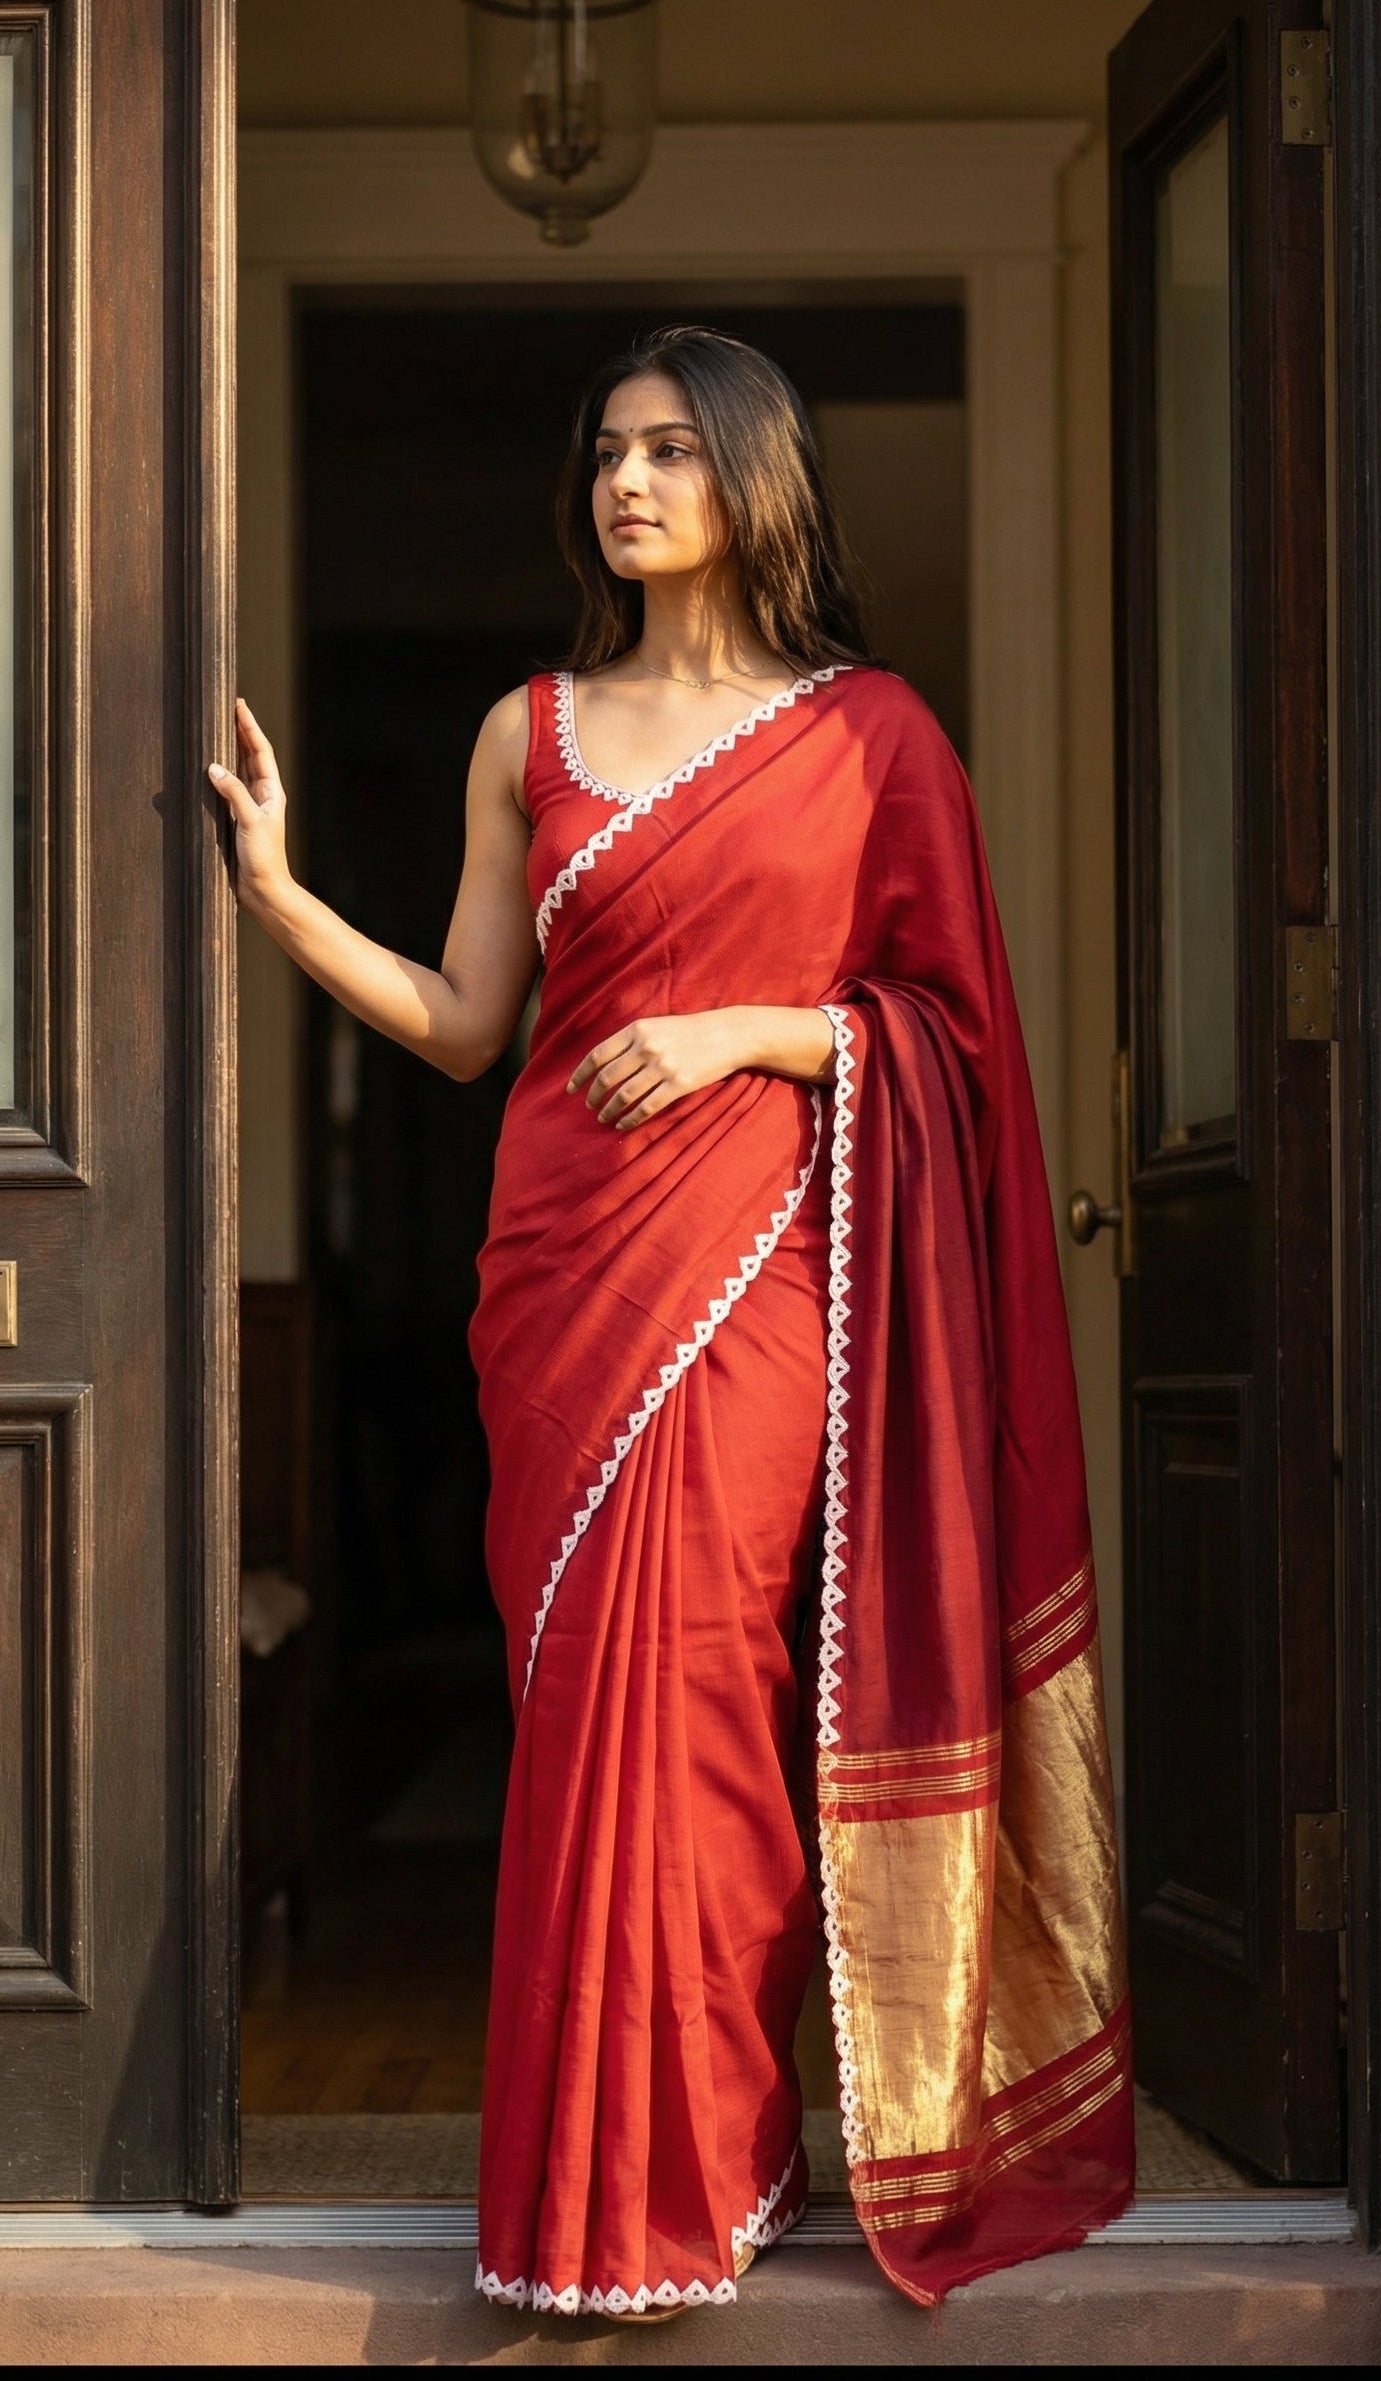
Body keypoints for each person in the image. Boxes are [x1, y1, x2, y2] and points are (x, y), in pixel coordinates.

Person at [209, 325, 1132, 2320]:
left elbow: (960, 1041)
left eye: (670, 454)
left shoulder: (872, 738)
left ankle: (708, 2171)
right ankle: (578, 2204)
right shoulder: (522, 732)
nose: (628, 483)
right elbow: (467, 1027)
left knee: (702, 1696)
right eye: (606, 452)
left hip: (755, 1280)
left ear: (751, 481)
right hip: (557, 1285)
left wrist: (751, 1029)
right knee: (577, 1716)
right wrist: (280, 895)